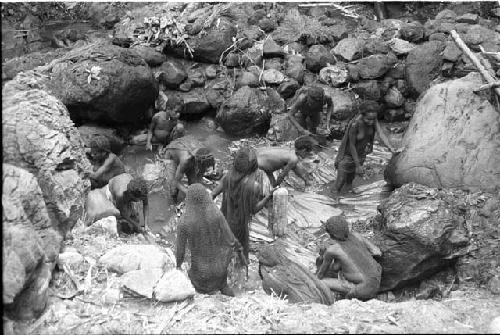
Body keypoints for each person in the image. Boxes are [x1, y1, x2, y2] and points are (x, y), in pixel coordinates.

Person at [176, 183, 243, 296]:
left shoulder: (184, 221)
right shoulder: (215, 213)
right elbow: (231, 239)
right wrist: (240, 251)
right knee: (223, 284)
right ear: (205, 197)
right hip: (220, 270)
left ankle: (204, 292)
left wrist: (177, 267)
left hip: (201, 276)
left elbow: (180, 253)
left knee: (193, 277)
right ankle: (227, 290)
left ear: (189, 200)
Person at [211, 147, 275, 261]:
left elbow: (213, 194)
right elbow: (253, 210)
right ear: (254, 167)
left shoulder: (227, 177)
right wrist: (267, 197)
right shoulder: (253, 186)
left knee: (223, 249)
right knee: (239, 254)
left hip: (224, 220)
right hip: (239, 226)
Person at [333, 100, 396, 200]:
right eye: (368, 119)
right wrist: (358, 165)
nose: (371, 122)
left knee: (350, 180)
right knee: (340, 182)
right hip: (347, 156)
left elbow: (381, 134)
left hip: (361, 154)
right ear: (362, 115)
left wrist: (391, 148)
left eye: (373, 119)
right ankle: (334, 200)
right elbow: (352, 145)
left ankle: (346, 201)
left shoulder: (373, 120)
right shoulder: (355, 125)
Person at [316, 215, 382, 300]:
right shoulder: (356, 235)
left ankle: (336, 298)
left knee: (320, 282)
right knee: (340, 266)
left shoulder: (332, 250)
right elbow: (377, 252)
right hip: (377, 282)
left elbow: (320, 275)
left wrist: (322, 257)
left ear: (331, 234)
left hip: (362, 290)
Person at [162, 135, 215, 201]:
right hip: (171, 155)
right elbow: (176, 182)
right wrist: (188, 193)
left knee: (193, 183)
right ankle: (174, 202)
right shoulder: (186, 160)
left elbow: (199, 178)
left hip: (187, 151)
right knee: (174, 189)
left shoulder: (207, 155)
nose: (204, 168)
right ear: (197, 161)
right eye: (203, 166)